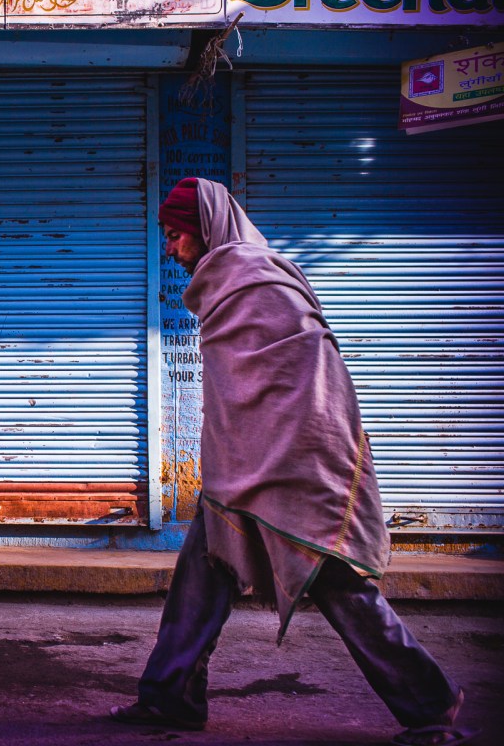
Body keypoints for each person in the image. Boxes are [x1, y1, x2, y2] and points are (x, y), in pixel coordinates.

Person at [109, 177, 476, 746]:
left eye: (176, 234)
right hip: (242, 465)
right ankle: (170, 697)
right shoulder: (225, 283)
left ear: (203, 228)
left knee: (331, 580)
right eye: (166, 235)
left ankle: (430, 705)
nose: (170, 247)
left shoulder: (253, 276)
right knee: (203, 576)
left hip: (294, 465)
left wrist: (283, 454)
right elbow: (245, 385)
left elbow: (306, 374)